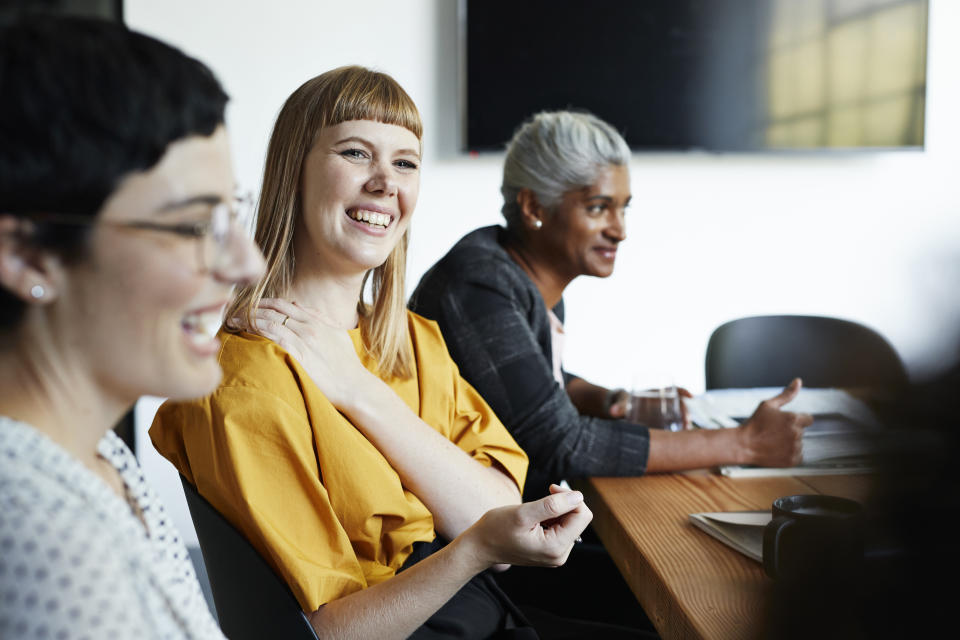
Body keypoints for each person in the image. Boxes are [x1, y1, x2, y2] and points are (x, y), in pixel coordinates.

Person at [149, 67, 628, 640]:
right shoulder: (244, 381)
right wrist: (472, 549)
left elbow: (498, 507)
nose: (385, 183)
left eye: (405, 162)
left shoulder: (412, 340)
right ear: (292, 171)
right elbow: (329, 634)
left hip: (489, 613)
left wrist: (358, 391)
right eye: (356, 153)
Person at [0, 16, 265, 639]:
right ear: (29, 256)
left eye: (230, 214)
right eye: (192, 226)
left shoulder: (98, 455)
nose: (246, 265)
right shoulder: (36, 530)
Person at [410, 110, 814, 502]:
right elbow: (561, 444)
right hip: (475, 555)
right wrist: (743, 443)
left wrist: (613, 401)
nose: (620, 230)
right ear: (534, 208)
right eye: (598, 207)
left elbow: (533, 386)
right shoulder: (479, 287)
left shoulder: (518, 276)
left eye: (624, 207)